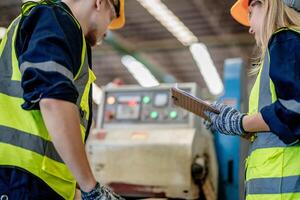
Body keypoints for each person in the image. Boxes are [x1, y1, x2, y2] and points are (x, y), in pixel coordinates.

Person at [0, 0, 126, 199]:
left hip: (26, 180)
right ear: (100, 2)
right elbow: (52, 100)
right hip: (22, 181)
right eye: (111, 18)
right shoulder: (55, 19)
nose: (107, 31)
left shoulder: (57, 28)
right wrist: (91, 189)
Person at [205, 0, 300, 199]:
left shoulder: (286, 40)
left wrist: (241, 123)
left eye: (250, 13)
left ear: (266, 4)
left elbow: (294, 110)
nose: (250, 28)